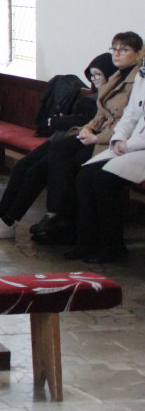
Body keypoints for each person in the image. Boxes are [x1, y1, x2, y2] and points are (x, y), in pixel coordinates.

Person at [0, 34, 142, 242]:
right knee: (25, 165)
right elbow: (100, 115)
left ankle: (49, 217)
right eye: (114, 49)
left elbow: (126, 119)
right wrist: (87, 128)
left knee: (43, 168)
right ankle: (5, 217)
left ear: (138, 53)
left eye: (124, 49)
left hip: (109, 141)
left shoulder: (135, 81)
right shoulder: (115, 79)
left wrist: (92, 135)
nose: (117, 53)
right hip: (88, 134)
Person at [70, 60, 145, 264]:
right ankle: (87, 241)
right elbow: (131, 113)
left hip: (139, 147)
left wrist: (128, 145)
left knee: (103, 179)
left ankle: (113, 246)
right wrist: (119, 138)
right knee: (85, 175)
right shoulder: (143, 73)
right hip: (131, 144)